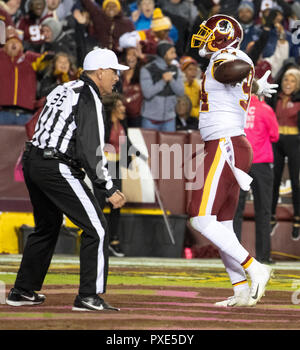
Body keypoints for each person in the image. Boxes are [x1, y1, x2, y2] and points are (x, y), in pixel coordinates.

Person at [6, 48, 128, 312]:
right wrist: (107, 186)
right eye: (114, 72)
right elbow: (89, 147)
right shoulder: (89, 96)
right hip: (54, 165)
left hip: (34, 160)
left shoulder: (64, 88)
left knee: (47, 227)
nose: (117, 78)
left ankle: (22, 290)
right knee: (97, 227)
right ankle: (89, 296)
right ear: (100, 72)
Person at [188, 14, 278, 307]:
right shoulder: (226, 58)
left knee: (200, 217)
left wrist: (247, 69)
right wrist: (253, 84)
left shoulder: (228, 57)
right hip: (232, 143)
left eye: (208, 32)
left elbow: (232, 70)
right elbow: (232, 76)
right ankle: (240, 289)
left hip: (225, 143)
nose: (203, 38)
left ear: (222, 35)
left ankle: (255, 267)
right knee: (223, 224)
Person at [233, 93, 279, 263]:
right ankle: (263, 256)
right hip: (261, 162)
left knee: (236, 211)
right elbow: (275, 135)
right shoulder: (265, 109)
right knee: (263, 210)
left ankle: (234, 255)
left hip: (240, 162)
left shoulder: (236, 108)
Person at [269, 67, 300, 241]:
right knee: (274, 179)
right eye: (286, 80)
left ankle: (297, 218)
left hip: (294, 141)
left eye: (293, 80)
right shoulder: (276, 97)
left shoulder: (299, 100)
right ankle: (271, 216)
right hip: (277, 140)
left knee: (296, 181)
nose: (288, 84)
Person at [140, 40, 184, 132]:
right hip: (150, 120)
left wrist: (171, 80)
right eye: (172, 52)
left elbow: (181, 92)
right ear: (164, 53)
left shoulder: (176, 69)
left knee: (169, 147)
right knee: (148, 146)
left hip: (170, 119)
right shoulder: (147, 69)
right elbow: (147, 93)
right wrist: (163, 81)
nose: (175, 56)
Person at [0, 34, 44, 125]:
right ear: (5, 46)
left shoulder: (29, 58)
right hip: (3, 112)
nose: (13, 44)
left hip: (25, 114)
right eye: (10, 42)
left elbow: (48, 60)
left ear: (21, 46)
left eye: (16, 42)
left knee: (25, 139)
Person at [179, 55, 201, 129]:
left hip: (195, 119)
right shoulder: (180, 86)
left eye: (195, 70)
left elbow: (199, 104)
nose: (193, 72)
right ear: (183, 71)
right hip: (181, 119)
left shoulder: (197, 86)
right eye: (190, 69)